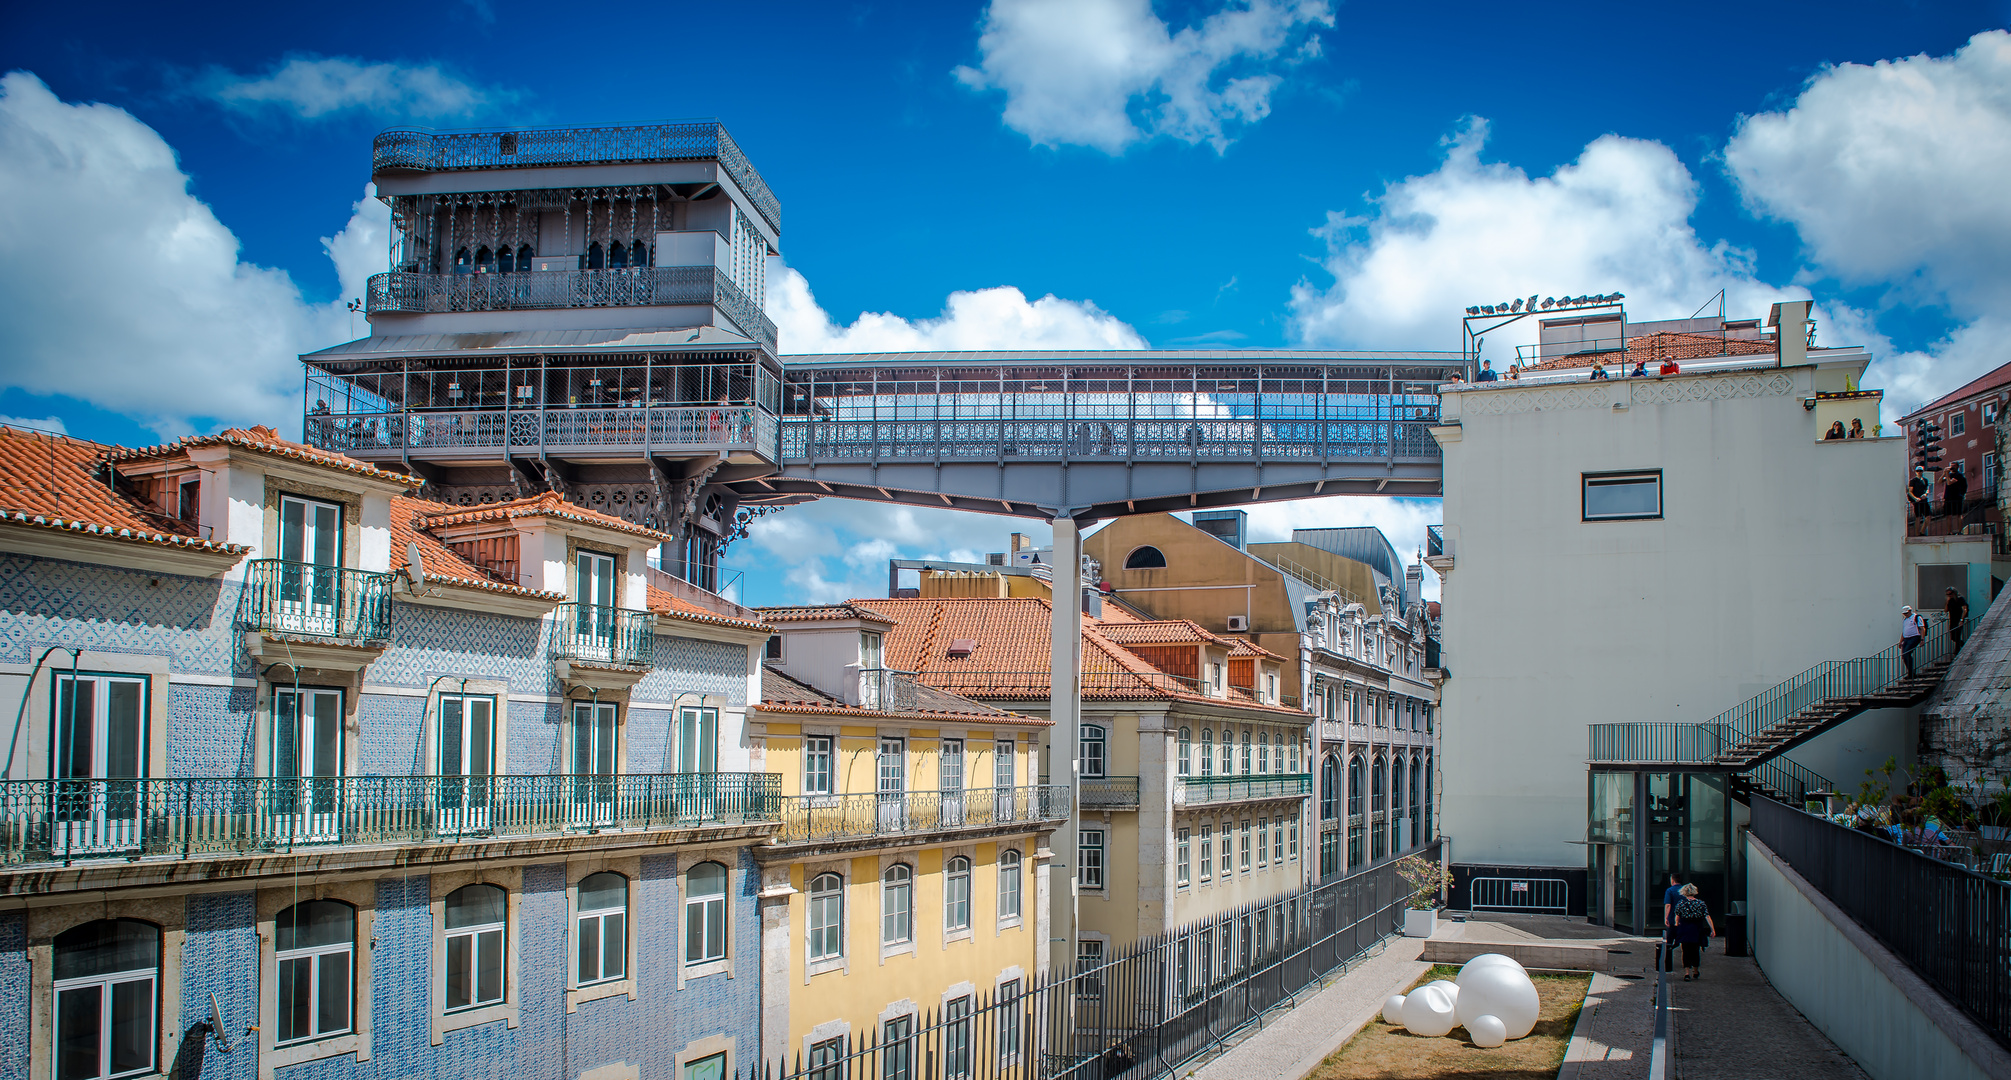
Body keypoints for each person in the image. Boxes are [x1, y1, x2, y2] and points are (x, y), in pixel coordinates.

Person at [1673, 883, 1717, 982]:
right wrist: (1712, 929)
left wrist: (1676, 925)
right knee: (1695, 951)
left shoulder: (1681, 903)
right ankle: (1696, 970)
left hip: (1684, 929)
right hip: (1697, 929)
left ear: (1684, 892)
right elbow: (1707, 916)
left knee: (1685, 951)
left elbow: (1677, 916)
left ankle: (1687, 972)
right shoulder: (1701, 903)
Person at [1661, 871, 1684, 973]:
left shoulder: (1669, 891)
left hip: (1672, 918)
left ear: (1672, 880)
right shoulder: (1684, 891)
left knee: (1669, 941)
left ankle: (1667, 962)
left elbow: (1668, 905)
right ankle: (1686, 962)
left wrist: (1666, 917)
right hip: (1683, 920)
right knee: (1684, 941)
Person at [1901, 605, 1924, 676]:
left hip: (1914, 637)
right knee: (1904, 655)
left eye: (1906, 613)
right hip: (1906, 638)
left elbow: (1922, 628)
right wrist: (1901, 641)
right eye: (1904, 614)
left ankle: (1911, 673)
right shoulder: (1905, 620)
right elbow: (1904, 631)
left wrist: (1922, 639)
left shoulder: (1916, 617)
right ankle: (1910, 672)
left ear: (1910, 611)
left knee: (1907, 653)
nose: (1905, 615)